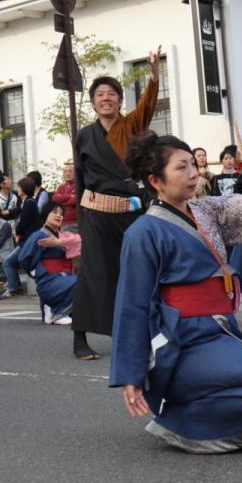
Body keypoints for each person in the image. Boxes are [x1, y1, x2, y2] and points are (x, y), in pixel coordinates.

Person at [110, 132, 242, 452]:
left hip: (219, 328)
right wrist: (130, 374)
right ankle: (182, 423)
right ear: (156, 181)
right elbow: (132, 304)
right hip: (180, 339)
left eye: (193, 165)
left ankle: (189, 417)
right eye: (181, 167)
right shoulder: (143, 231)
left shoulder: (205, 209)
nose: (193, 173)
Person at [71, 49, 162, 360]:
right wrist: (82, 218)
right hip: (96, 214)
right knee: (93, 274)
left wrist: (154, 76)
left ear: (120, 101)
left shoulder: (132, 124)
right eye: (99, 94)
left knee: (137, 271)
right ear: (93, 102)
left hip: (130, 213)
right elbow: (81, 178)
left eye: (111, 94)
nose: (105, 98)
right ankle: (79, 337)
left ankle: (143, 333)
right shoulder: (85, 135)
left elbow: (148, 105)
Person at [16, 202, 80, 325]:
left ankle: (53, 308)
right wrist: (35, 273)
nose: (59, 216)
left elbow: (81, 241)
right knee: (81, 281)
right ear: (46, 215)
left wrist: (59, 243)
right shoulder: (39, 235)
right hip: (49, 280)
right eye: (55, 212)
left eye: (61, 214)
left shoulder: (64, 236)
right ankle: (58, 313)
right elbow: (23, 258)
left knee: (88, 281)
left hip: (65, 278)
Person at [51, 161, 80, 233]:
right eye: (65, 172)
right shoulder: (61, 187)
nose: (67, 173)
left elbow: (76, 200)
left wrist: (62, 200)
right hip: (63, 222)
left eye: (70, 171)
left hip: (76, 222)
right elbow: (55, 198)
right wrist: (70, 196)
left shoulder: (78, 186)